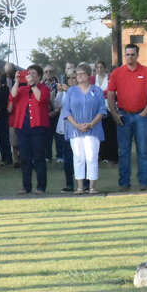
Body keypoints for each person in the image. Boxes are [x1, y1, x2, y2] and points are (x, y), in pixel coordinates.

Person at [105, 43, 147, 191]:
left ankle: (144, 182)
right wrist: (114, 113)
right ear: (125, 56)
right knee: (124, 151)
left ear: (137, 55)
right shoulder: (117, 73)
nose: (130, 57)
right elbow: (110, 94)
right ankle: (124, 183)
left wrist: (146, 112)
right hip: (124, 116)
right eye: (127, 54)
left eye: (132, 54)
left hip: (141, 116)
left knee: (143, 150)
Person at [60, 64, 106, 194]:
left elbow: (102, 110)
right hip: (75, 129)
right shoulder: (71, 91)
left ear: (88, 75)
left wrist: (91, 124)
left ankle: (92, 186)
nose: (79, 76)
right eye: (77, 74)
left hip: (93, 128)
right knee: (78, 156)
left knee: (91, 156)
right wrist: (76, 125)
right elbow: (66, 111)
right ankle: (80, 186)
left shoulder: (96, 90)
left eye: (82, 73)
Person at [10, 65, 50, 194]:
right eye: (28, 73)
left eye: (33, 74)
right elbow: (12, 97)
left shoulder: (44, 89)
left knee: (39, 158)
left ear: (39, 76)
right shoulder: (22, 89)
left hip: (38, 128)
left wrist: (33, 85)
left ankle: (41, 187)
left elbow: (41, 99)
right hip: (23, 128)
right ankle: (26, 186)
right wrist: (16, 81)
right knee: (25, 158)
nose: (30, 76)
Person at [94, 60, 117, 164]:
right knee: (99, 134)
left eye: (101, 67)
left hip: (109, 108)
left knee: (110, 133)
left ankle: (111, 156)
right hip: (96, 110)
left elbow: (112, 91)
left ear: (104, 68)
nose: (99, 69)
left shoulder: (110, 78)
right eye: (97, 67)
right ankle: (101, 155)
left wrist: (101, 93)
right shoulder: (93, 79)